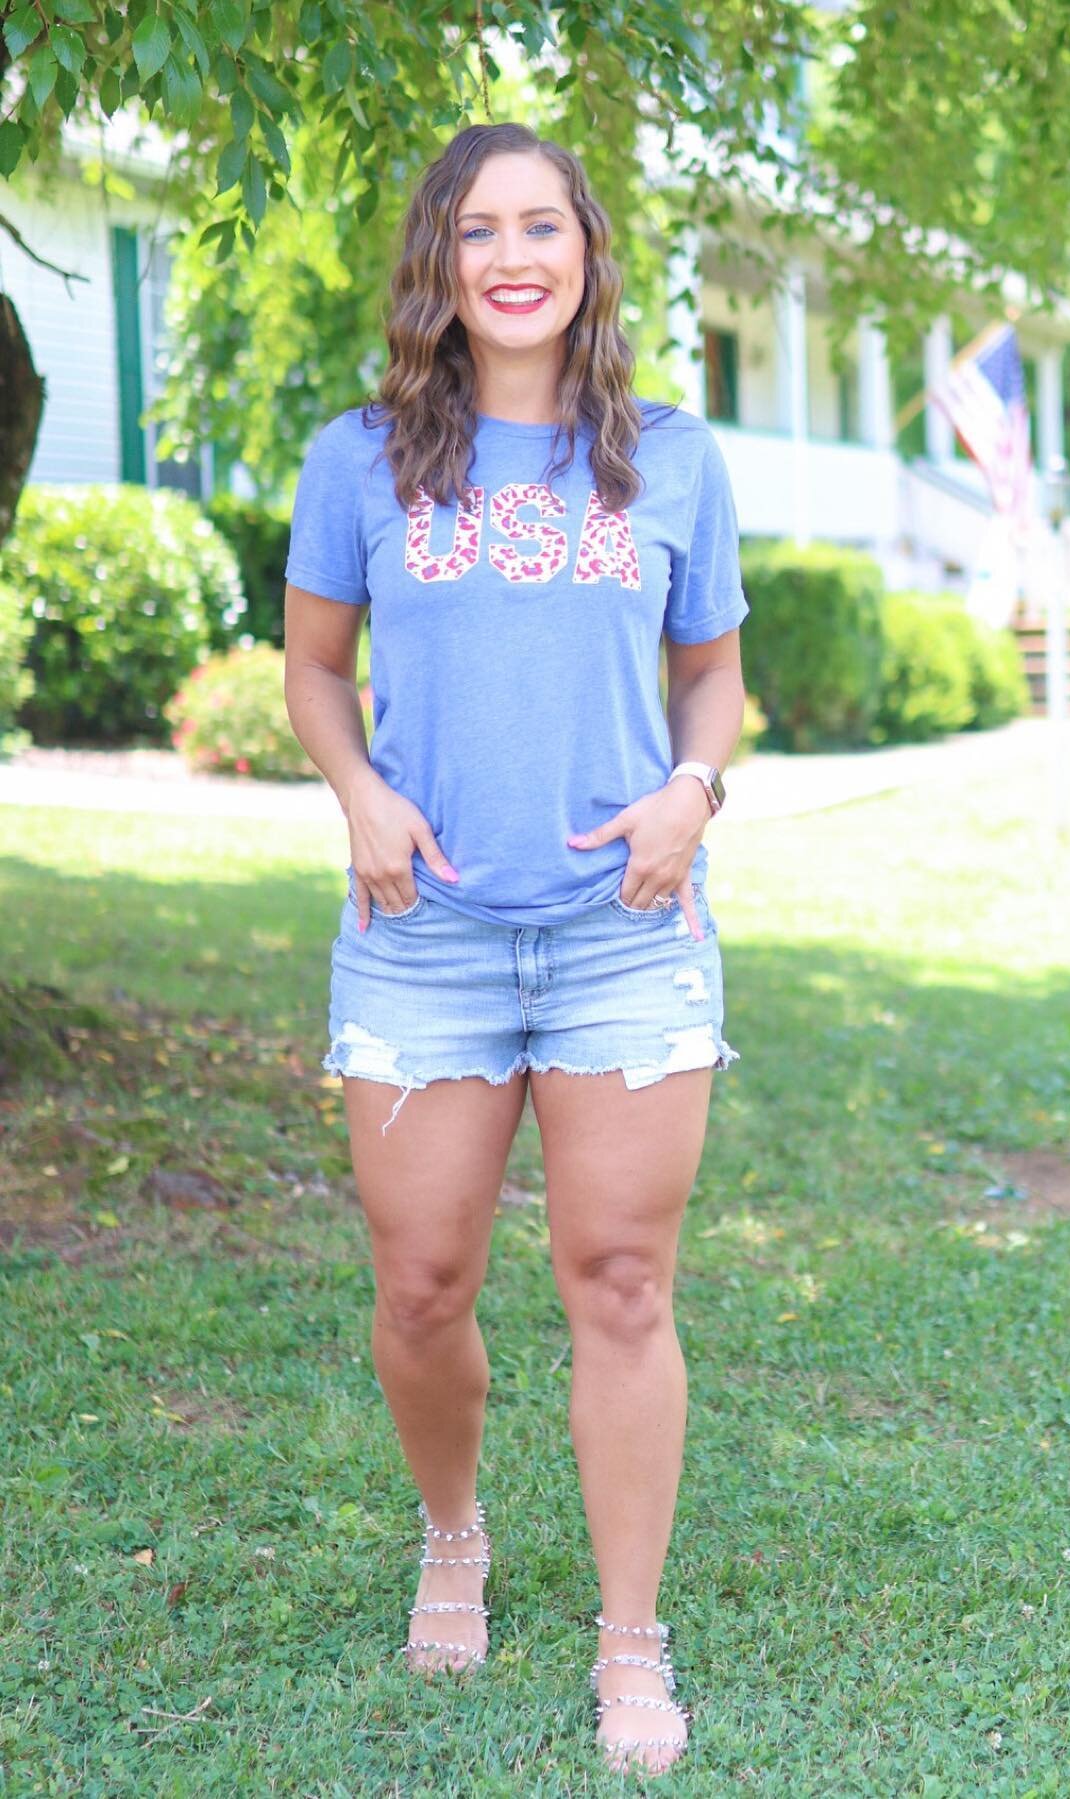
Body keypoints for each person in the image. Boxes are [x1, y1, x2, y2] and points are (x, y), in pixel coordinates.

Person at [282, 120, 749, 1777]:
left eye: (541, 224)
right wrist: (358, 796)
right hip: (424, 933)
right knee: (423, 1287)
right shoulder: (360, 461)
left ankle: (633, 1640)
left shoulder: (672, 459)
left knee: (621, 1285)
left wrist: (694, 790)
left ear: (587, 253)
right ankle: (455, 1534)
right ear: (442, 264)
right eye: (478, 230)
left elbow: (713, 676)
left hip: (629, 933)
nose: (512, 256)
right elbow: (317, 671)